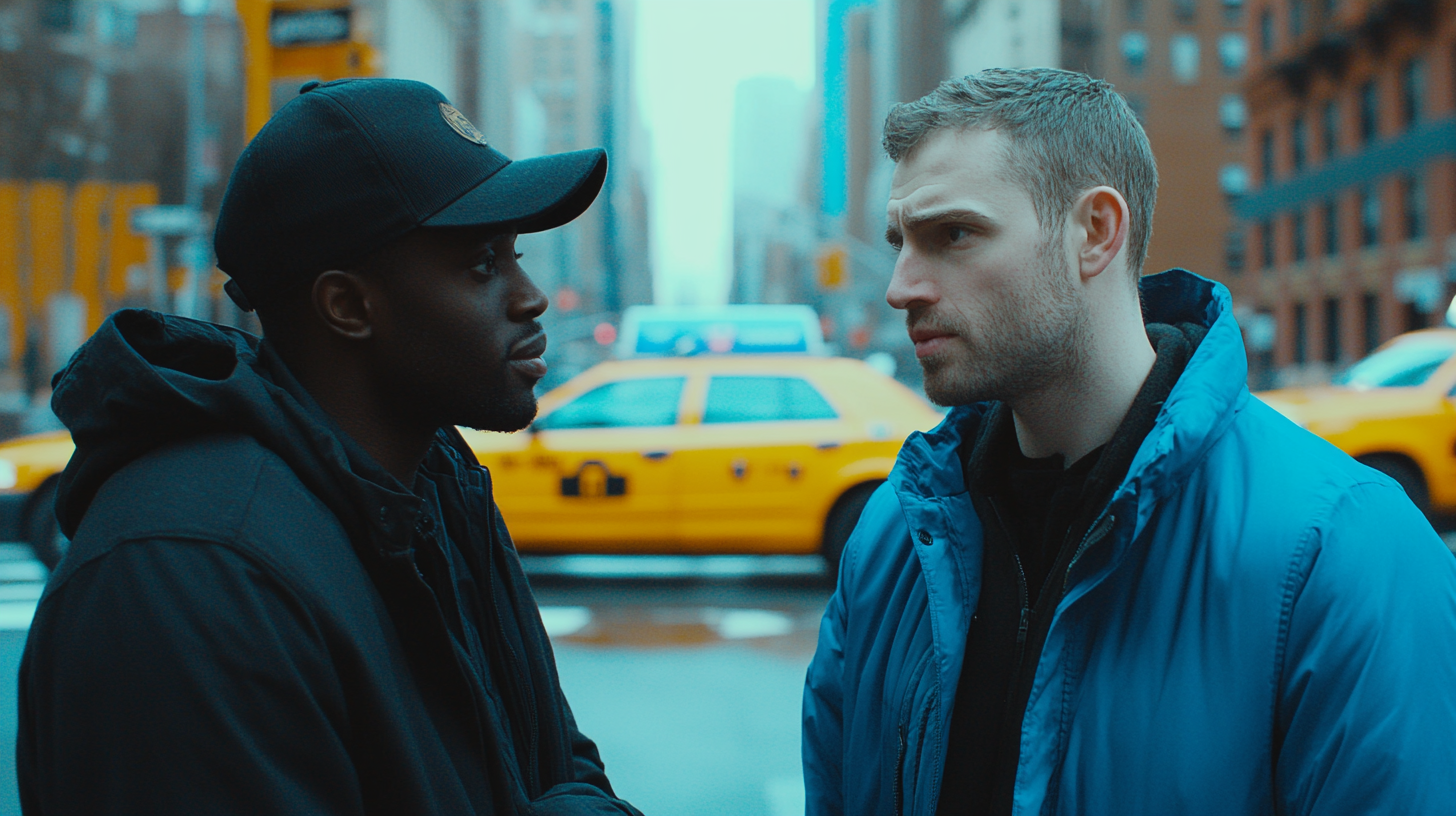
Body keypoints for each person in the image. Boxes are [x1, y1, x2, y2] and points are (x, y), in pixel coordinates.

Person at [802, 67, 1456, 816]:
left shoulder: (1346, 554)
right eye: (900, 242)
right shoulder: (892, 539)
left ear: (1095, 233)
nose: (902, 285)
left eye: (954, 234)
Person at [18, 78, 642, 816]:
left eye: (516, 253)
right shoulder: (188, 573)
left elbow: (553, 756)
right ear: (348, 306)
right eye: (482, 264)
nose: (530, 296)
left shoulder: (435, 486)